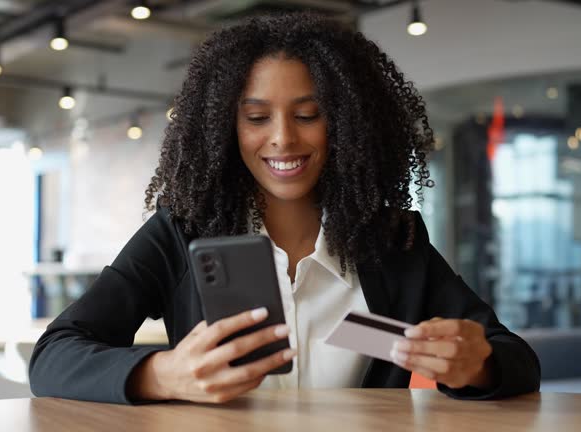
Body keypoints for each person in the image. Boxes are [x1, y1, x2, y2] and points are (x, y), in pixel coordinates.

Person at [29, 12, 540, 405]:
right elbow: (55, 355)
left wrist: (478, 364)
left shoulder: (393, 239)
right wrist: (163, 374)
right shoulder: (180, 232)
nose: (282, 139)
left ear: (345, 122)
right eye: (256, 117)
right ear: (228, 129)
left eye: (307, 115)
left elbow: (515, 359)